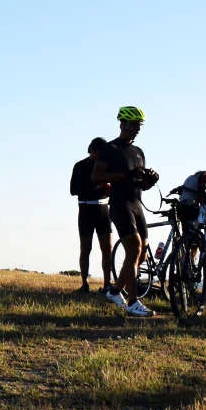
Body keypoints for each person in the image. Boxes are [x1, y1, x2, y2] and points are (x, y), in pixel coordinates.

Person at [90, 106, 160, 318]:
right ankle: (132, 302)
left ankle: (114, 291)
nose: (135, 129)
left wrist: (150, 180)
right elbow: (96, 177)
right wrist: (124, 175)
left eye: (138, 125)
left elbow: (140, 183)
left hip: (137, 203)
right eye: (132, 124)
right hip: (120, 204)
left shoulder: (138, 152)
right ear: (121, 124)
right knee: (134, 248)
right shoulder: (110, 149)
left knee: (142, 253)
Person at [69, 138, 114, 293]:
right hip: (86, 209)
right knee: (85, 248)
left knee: (107, 249)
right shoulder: (80, 166)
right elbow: (73, 190)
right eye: (99, 153)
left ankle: (107, 284)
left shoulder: (107, 166)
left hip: (103, 209)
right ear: (93, 151)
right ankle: (84, 284)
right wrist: (97, 185)